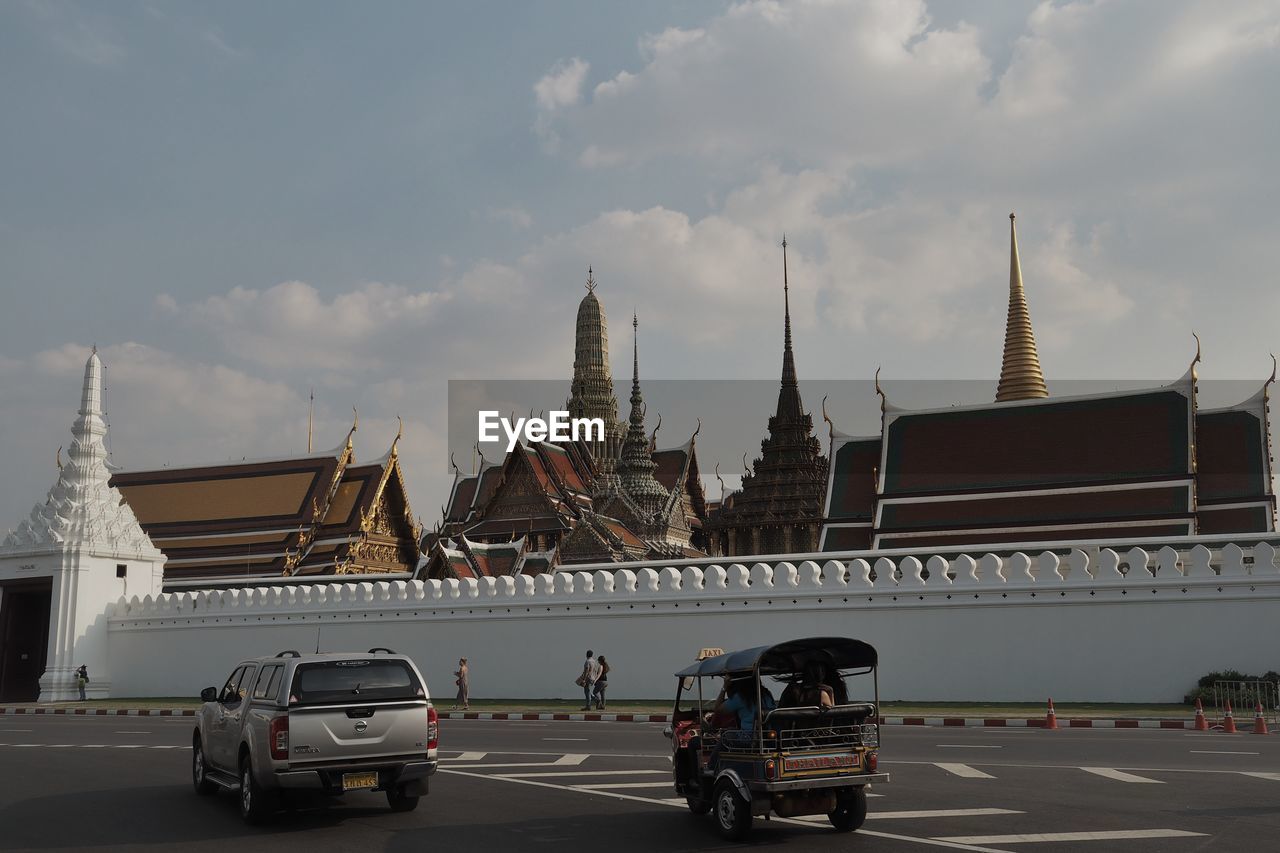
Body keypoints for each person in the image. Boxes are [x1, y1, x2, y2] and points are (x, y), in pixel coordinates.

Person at [713, 675, 775, 749]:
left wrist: (724, 688)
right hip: (768, 736)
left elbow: (718, 710)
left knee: (726, 734)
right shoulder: (767, 695)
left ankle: (714, 760)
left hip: (748, 738)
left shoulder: (741, 697)